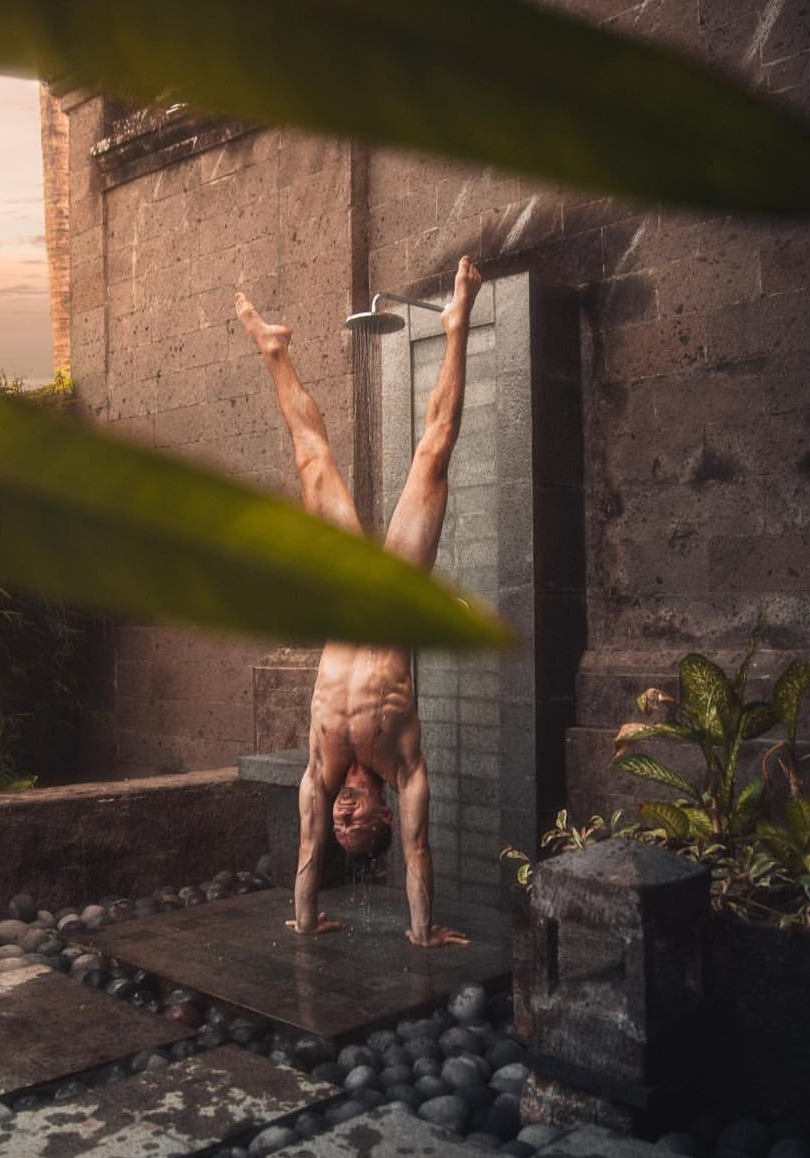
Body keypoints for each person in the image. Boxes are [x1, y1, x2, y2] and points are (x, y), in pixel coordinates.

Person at [235, 255, 481, 948]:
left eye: (342, 823)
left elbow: (309, 856)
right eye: (357, 822)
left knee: (311, 459)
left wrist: (308, 920)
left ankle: (274, 351)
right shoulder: (407, 767)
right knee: (434, 452)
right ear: (383, 813)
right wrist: (422, 930)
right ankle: (458, 323)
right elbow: (419, 854)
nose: (343, 817)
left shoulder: (319, 768)